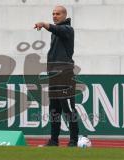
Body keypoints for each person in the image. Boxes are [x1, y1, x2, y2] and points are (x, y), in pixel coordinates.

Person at [34, 5, 79, 147]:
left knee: (68, 109)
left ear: (64, 15)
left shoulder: (67, 30)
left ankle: (73, 141)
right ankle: (54, 141)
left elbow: (56, 28)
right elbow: (55, 29)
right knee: (54, 110)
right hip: (54, 76)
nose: (54, 16)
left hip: (65, 76)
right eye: (53, 13)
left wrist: (44, 24)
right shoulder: (56, 32)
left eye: (57, 14)